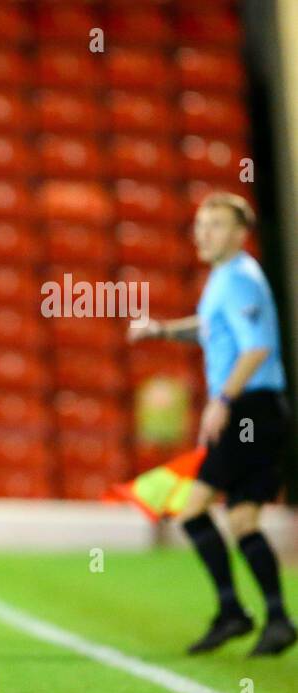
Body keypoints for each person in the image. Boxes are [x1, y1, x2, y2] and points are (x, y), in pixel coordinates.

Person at [129, 192, 294, 656]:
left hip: (250, 410)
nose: (204, 233)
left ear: (241, 233)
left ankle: (232, 612)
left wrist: (223, 400)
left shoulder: (239, 278)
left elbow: (256, 347)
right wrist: (162, 330)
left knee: (193, 510)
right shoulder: (227, 278)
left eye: (217, 224)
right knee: (243, 519)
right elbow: (209, 328)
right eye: (201, 224)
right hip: (260, 409)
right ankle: (277, 619)